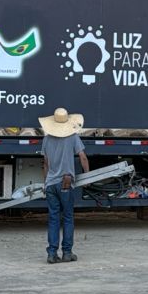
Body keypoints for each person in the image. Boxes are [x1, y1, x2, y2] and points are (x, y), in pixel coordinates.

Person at [39, 107, 90, 264]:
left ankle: (52, 254)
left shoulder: (46, 139)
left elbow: (45, 163)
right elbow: (83, 157)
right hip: (66, 184)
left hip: (51, 184)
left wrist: (46, 182)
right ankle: (67, 253)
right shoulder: (73, 137)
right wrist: (87, 176)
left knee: (53, 219)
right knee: (67, 218)